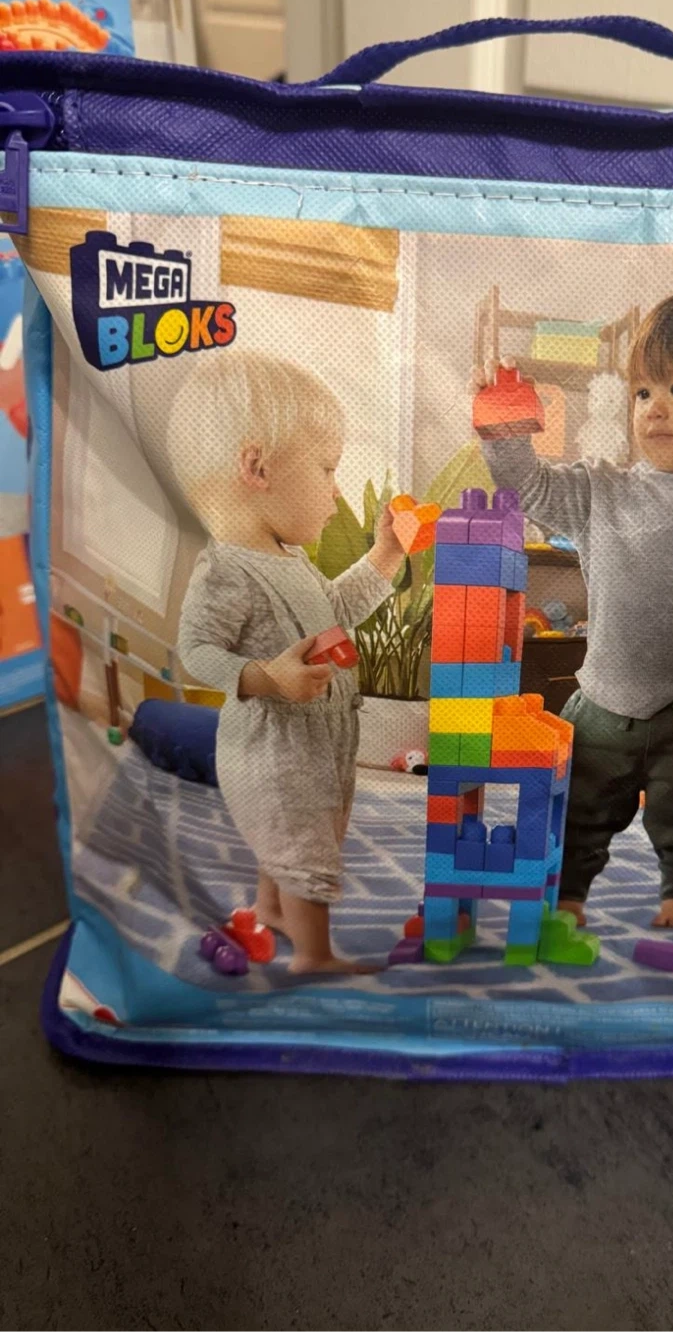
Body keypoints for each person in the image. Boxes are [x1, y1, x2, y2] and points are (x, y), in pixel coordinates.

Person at [472, 286, 673, 929]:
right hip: (603, 696)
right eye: (642, 392)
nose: (653, 408)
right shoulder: (604, 489)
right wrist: (503, 425)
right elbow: (527, 485)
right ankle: (570, 894)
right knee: (579, 806)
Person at [168, 351, 405, 974]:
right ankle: (314, 956)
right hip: (272, 751)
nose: (336, 490)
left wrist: (384, 554)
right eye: (326, 469)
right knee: (304, 847)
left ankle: (269, 909)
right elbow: (196, 651)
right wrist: (265, 677)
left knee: (304, 834)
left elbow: (335, 611)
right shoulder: (227, 569)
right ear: (257, 467)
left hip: (317, 744)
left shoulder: (289, 560)